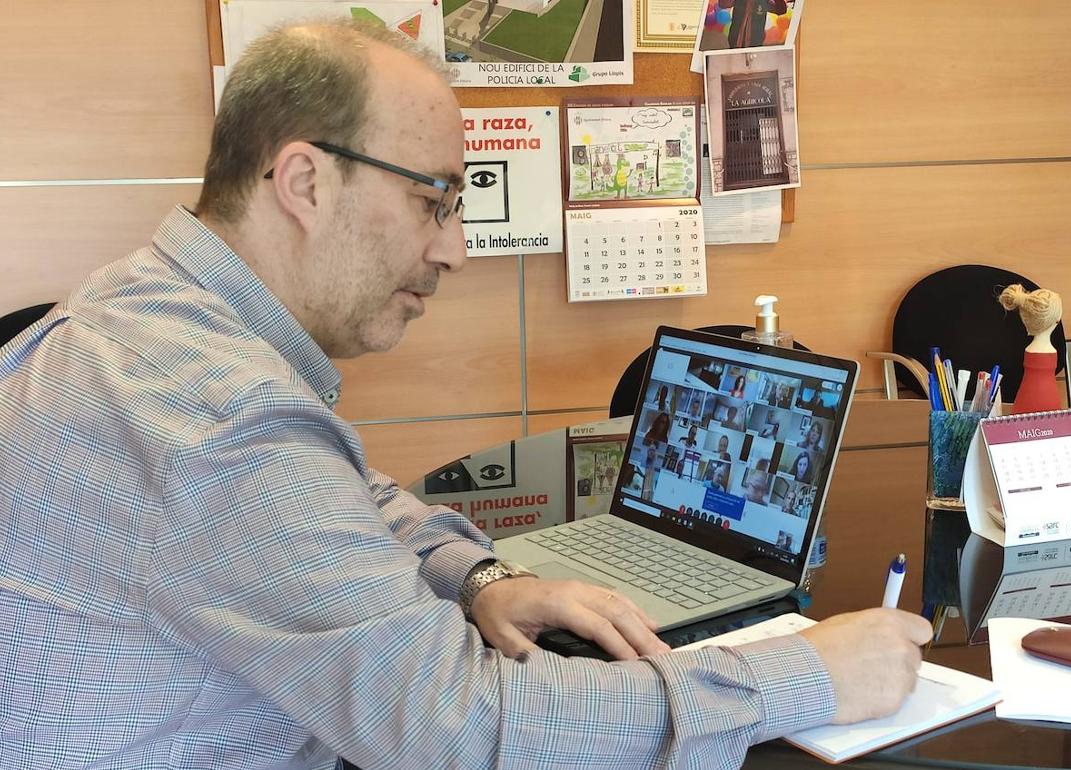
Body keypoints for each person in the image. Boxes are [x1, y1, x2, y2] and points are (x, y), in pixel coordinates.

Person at [0, 19, 931, 770]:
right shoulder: (218, 419)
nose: (452, 247)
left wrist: (484, 576)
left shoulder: (148, 307)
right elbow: (464, 728)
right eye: (433, 199)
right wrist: (798, 677)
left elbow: (342, 498)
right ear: (303, 180)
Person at [719, 0, 788, 49]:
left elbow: (781, 9)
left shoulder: (765, 2)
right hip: (735, 42)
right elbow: (723, 4)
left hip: (756, 44)